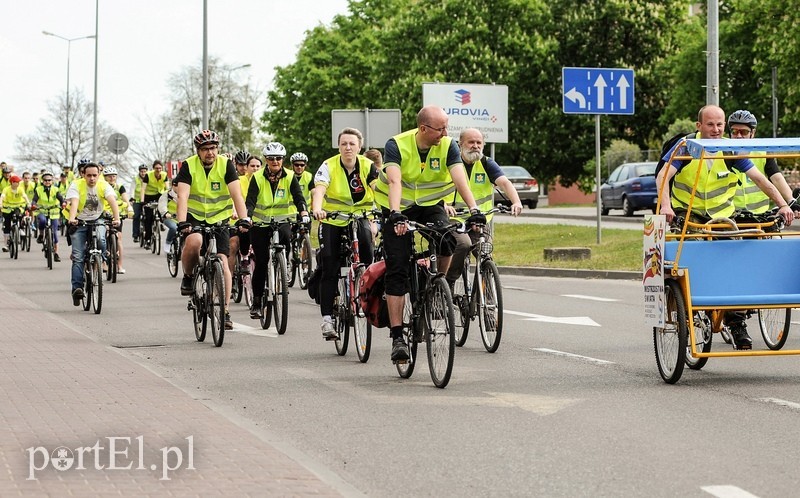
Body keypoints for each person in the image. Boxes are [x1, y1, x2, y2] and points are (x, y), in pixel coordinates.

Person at [656, 104, 794, 350]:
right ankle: (686, 311)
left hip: (722, 217)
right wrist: (665, 205)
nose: (716, 129)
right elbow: (663, 176)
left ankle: (736, 321)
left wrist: (784, 205)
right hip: (688, 213)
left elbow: (760, 179)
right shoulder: (686, 146)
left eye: (719, 124)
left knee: (734, 264)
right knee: (689, 259)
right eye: (710, 124)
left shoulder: (730, 149)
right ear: (699, 126)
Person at [373, 105, 486, 361]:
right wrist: (395, 214)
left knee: (449, 240)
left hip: (429, 206)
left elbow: (459, 179)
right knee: (398, 268)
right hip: (398, 207)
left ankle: (436, 285)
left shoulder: (448, 146)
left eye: (447, 127)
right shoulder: (396, 145)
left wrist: (474, 209)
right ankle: (398, 337)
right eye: (440, 128)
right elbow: (394, 181)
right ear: (423, 128)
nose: (445, 133)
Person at [175, 130, 250, 330]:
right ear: (198, 151)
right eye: (205, 149)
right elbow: (182, 196)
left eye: (213, 148)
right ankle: (188, 276)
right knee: (195, 242)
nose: (210, 152)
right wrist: (182, 222)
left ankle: (225, 311)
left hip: (219, 218)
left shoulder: (226, 165)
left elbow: (237, 195)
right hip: (195, 216)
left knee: (224, 263)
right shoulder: (188, 165)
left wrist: (243, 219)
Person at [311, 128, 380, 339]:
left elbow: (379, 189)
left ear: (359, 147)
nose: (348, 147)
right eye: (344, 144)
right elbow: (320, 190)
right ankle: (327, 320)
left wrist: (385, 213)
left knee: (368, 255)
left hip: (360, 217)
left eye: (352, 144)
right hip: (333, 218)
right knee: (330, 265)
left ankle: (364, 295)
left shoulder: (368, 166)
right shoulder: (328, 165)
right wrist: (317, 209)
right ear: (338, 146)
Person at [444, 128, 523, 287]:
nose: (475, 146)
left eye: (479, 142)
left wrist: (516, 202)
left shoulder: (486, 163)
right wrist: (444, 205)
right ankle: (449, 281)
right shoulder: (451, 163)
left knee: (485, 252)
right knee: (463, 245)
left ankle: (485, 295)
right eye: (471, 142)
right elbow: (436, 187)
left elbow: (505, 183)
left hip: (480, 220)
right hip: (455, 220)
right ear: (460, 144)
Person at [245, 142, 308, 319]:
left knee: (287, 237)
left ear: (283, 160)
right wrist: (247, 217)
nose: (275, 161)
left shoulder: (290, 176)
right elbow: (250, 201)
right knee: (262, 261)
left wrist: (303, 212)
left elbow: (299, 197)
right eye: (271, 158)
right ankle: (257, 302)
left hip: (281, 221)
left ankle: (283, 263)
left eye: (278, 158)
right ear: (266, 159)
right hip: (260, 223)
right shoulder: (257, 177)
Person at [65, 163, 120, 306]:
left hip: (97, 219)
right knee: (78, 257)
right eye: (89, 175)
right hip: (79, 221)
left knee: (101, 239)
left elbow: (112, 201)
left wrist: (117, 218)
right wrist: (72, 219)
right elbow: (75, 202)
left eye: (95, 175)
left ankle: (101, 259)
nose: (92, 178)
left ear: (98, 175)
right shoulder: (76, 185)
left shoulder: (103, 185)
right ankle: (77, 289)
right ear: (83, 175)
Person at [728, 110, 796, 213]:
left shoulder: (763, 152)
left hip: (760, 215)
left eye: (744, 132)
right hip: (731, 214)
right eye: (734, 132)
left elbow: (777, 178)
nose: (739, 136)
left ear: (752, 133)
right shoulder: (723, 153)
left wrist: (791, 200)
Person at [103, 166, 134, 274]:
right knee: (103, 235)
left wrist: (129, 208)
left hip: (117, 215)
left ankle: (120, 265)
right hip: (105, 215)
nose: (112, 178)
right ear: (105, 177)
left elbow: (125, 198)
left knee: (119, 238)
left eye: (114, 176)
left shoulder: (120, 187)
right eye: (109, 176)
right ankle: (103, 262)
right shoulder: (102, 186)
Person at [228, 150, 252, 277]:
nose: (243, 168)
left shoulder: (253, 178)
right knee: (232, 244)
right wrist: (233, 211)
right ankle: (230, 277)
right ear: (235, 165)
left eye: (246, 165)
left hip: (249, 217)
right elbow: (232, 197)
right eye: (240, 165)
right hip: (234, 218)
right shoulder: (231, 178)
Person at [31, 171, 65, 262]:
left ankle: (56, 253)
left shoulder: (55, 189)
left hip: (54, 212)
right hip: (42, 210)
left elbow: (61, 199)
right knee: (42, 221)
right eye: (45, 180)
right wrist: (33, 205)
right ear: (42, 181)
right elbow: (34, 200)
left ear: (52, 181)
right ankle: (41, 235)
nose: (47, 182)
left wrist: (63, 203)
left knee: (55, 234)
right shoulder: (38, 189)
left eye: (49, 180)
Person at [140, 160, 168, 249]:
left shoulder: (164, 175)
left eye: (160, 168)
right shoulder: (148, 175)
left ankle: (161, 223)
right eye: (156, 168)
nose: (158, 170)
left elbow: (167, 188)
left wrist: (169, 197)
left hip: (160, 195)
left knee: (162, 210)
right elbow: (143, 189)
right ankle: (148, 240)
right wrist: (142, 200)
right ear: (153, 168)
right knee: (148, 219)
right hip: (149, 196)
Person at [0, 175, 31, 251]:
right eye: (16, 182)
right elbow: (2, 197)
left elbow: (25, 196)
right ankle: (6, 245)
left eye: (18, 182)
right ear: (12, 182)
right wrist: (0, 204)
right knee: (7, 225)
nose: (18, 183)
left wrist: (28, 203)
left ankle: (21, 229)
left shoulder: (20, 189)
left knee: (19, 215)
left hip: (18, 206)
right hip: (7, 208)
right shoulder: (6, 189)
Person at [158, 179, 179, 254]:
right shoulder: (166, 195)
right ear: (173, 186)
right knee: (173, 228)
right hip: (170, 218)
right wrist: (166, 213)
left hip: (182, 218)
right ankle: (168, 243)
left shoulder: (185, 194)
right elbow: (162, 205)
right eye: (177, 186)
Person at [130, 164, 149, 243]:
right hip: (137, 200)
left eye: (144, 171)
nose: (143, 173)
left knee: (149, 216)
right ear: (139, 172)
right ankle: (135, 235)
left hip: (146, 199)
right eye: (141, 171)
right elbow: (132, 189)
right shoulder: (135, 178)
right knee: (136, 216)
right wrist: (132, 198)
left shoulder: (149, 177)